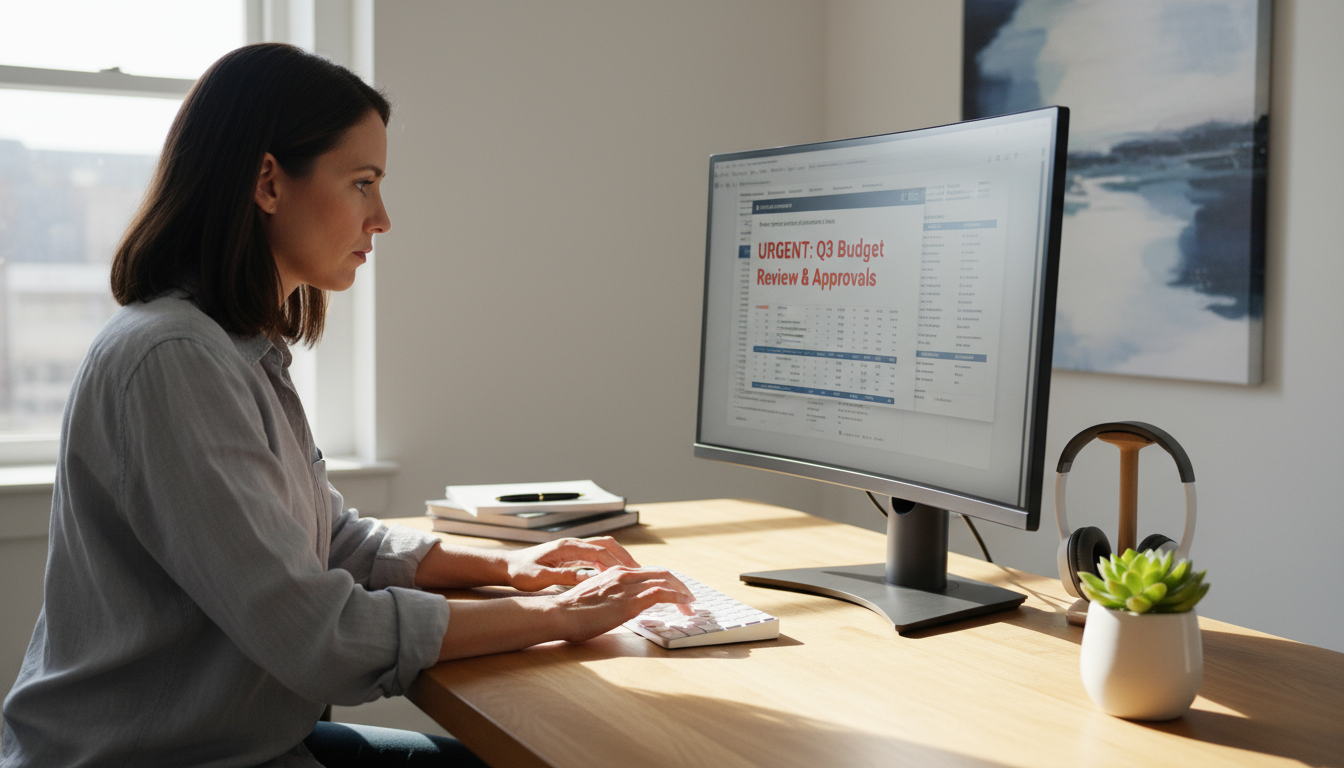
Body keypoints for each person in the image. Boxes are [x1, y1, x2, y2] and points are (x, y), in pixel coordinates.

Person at [0, 43, 693, 767]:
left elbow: (335, 541)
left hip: (244, 744)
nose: (383, 217)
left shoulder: (237, 349)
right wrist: (556, 616)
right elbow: (316, 634)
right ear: (268, 182)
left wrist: (513, 569)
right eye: (363, 182)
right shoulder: (176, 361)